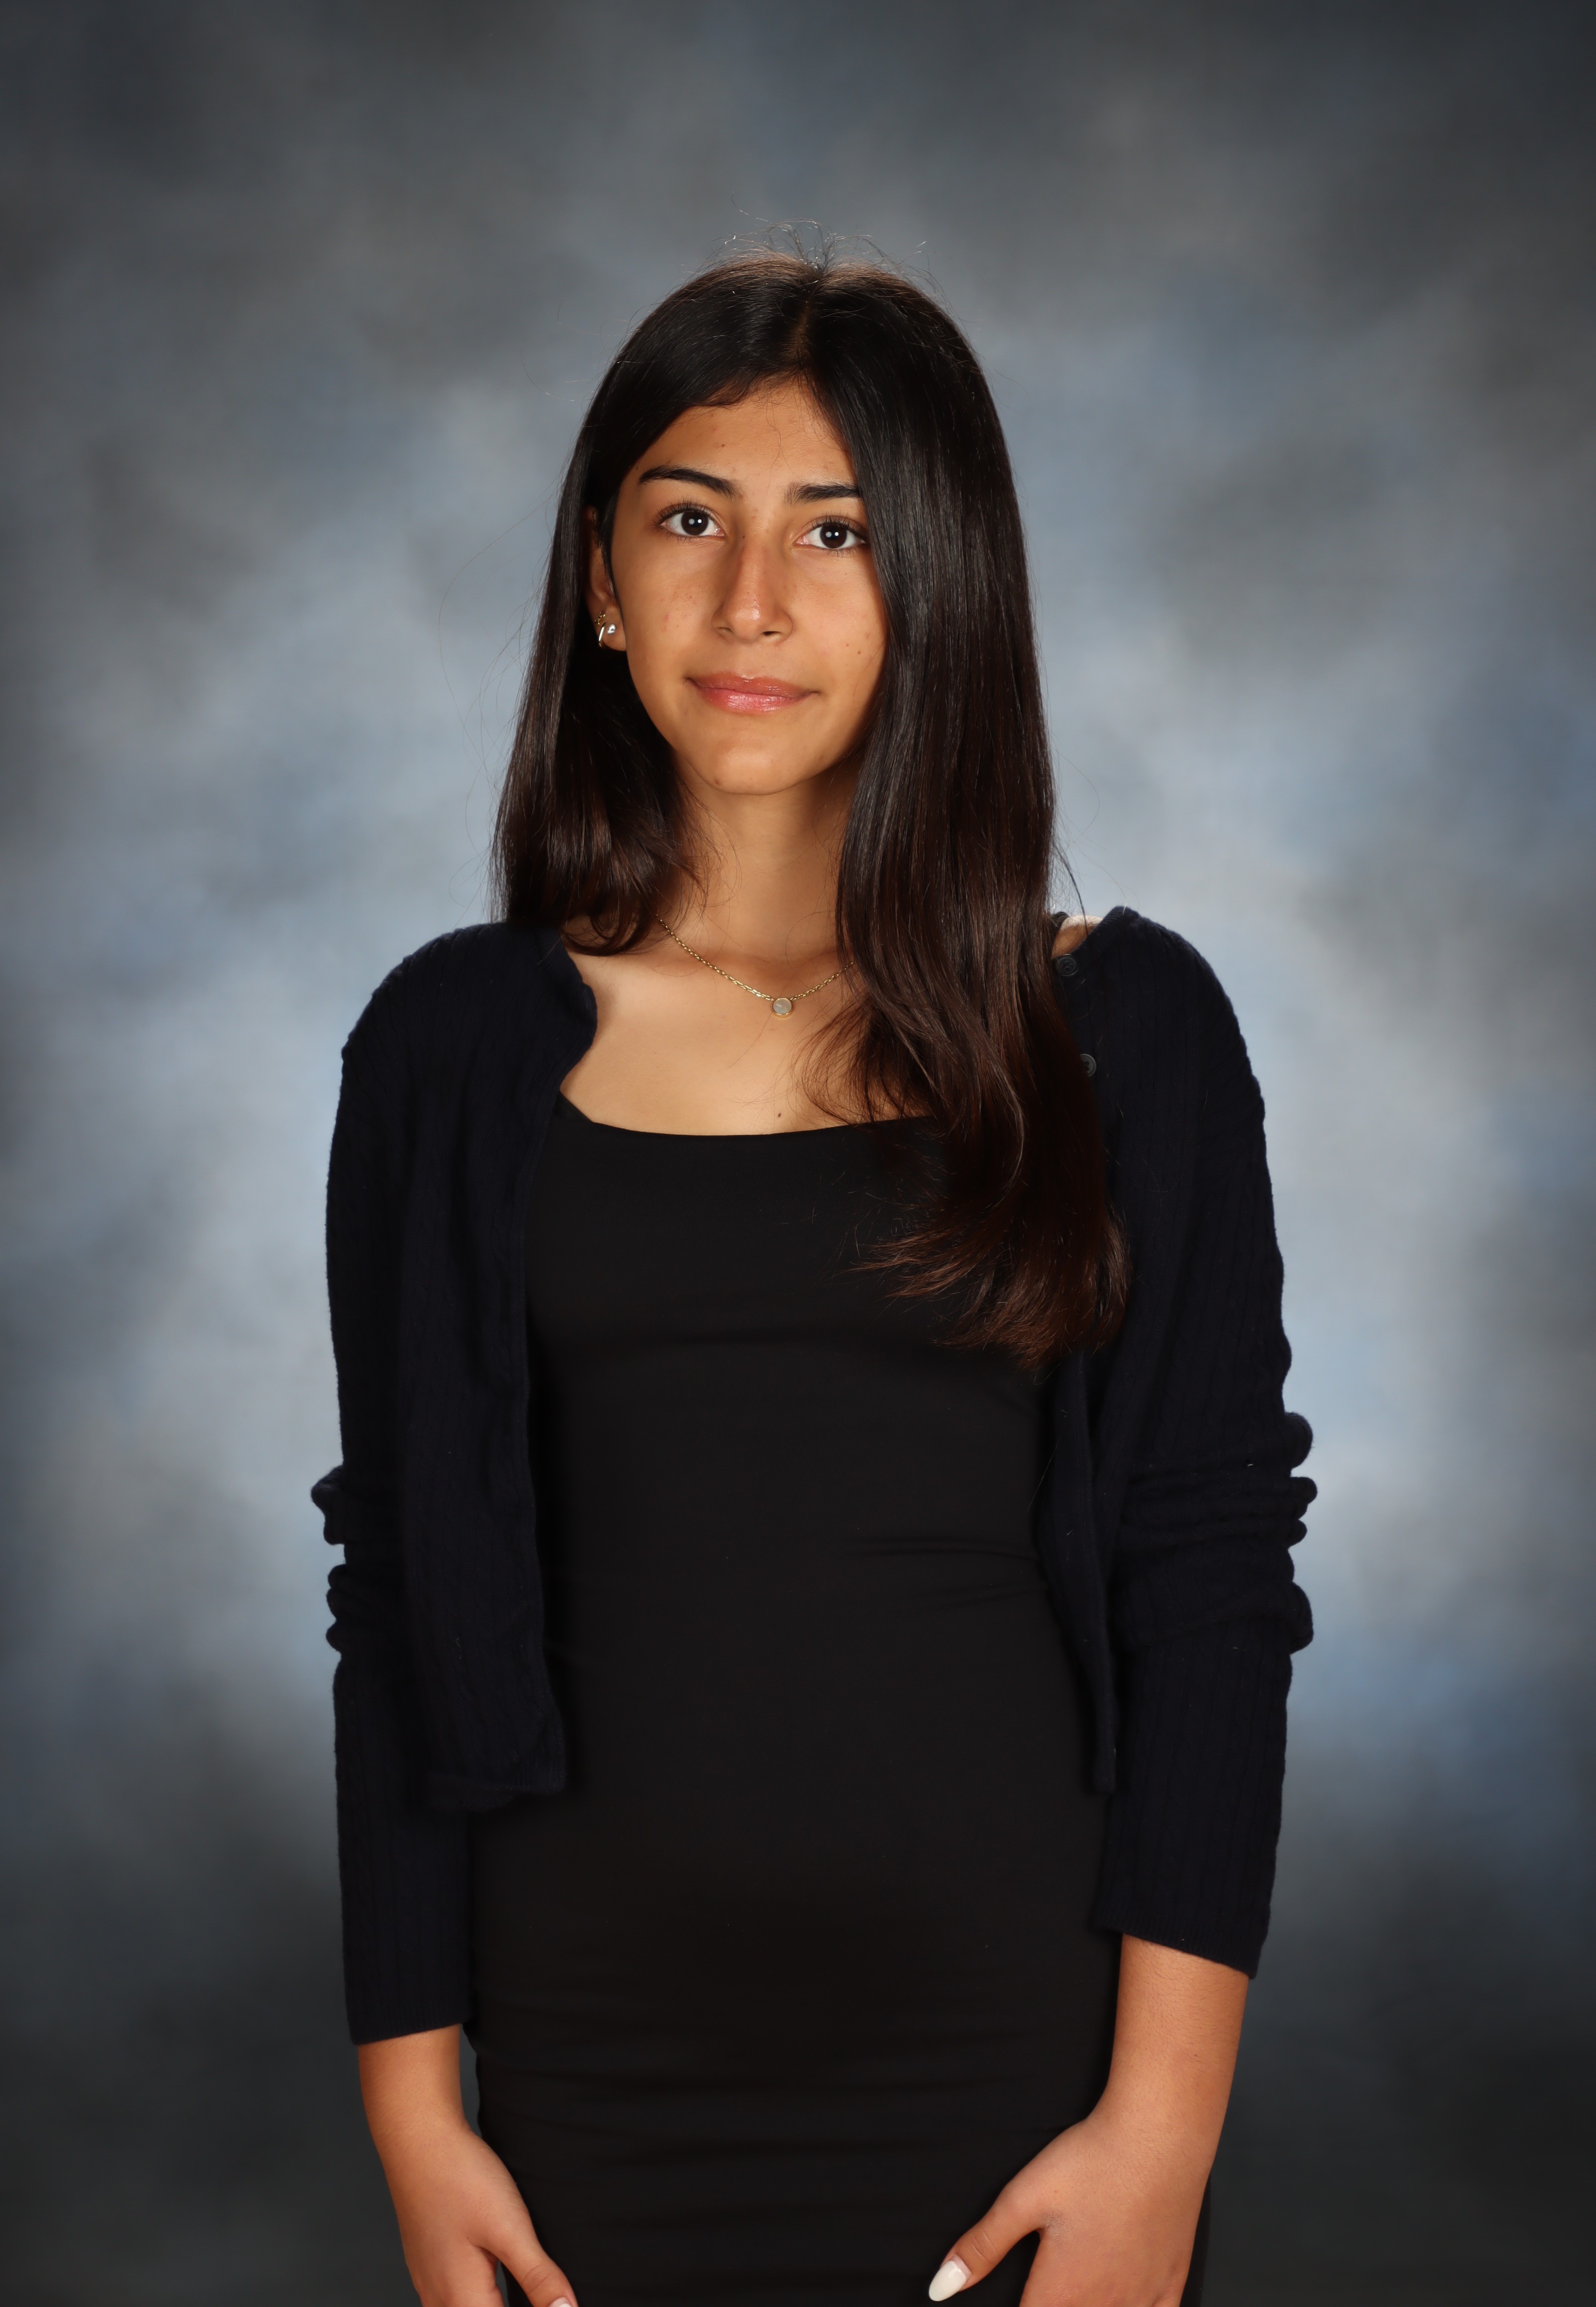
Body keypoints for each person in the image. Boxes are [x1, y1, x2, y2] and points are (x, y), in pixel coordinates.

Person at [314, 246, 1314, 2307]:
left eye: (836, 532)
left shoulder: (1122, 1034)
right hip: (583, 2088)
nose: (751, 602)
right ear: (603, 577)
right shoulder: (449, 1048)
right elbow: (398, 1589)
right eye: (690, 520)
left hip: (1015, 2076)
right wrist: (416, 2123)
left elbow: (1210, 1574)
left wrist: (1160, 2136)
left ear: (937, 585)